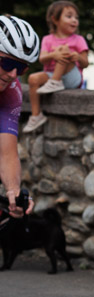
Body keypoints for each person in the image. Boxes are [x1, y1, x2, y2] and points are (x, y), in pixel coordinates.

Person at [24, 0, 89, 134]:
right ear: (55, 19)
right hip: (50, 75)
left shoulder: (78, 40)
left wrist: (78, 57)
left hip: (72, 78)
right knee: (33, 78)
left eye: (76, 18)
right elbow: (42, 59)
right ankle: (36, 115)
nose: (74, 20)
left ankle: (55, 82)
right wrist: (54, 55)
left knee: (65, 50)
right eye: (69, 16)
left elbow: (85, 63)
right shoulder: (47, 39)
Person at [0, 14, 39, 215]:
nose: (14, 74)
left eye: (21, 67)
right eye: (6, 64)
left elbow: (7, 153)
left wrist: (13, 191)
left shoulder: (11, 91)